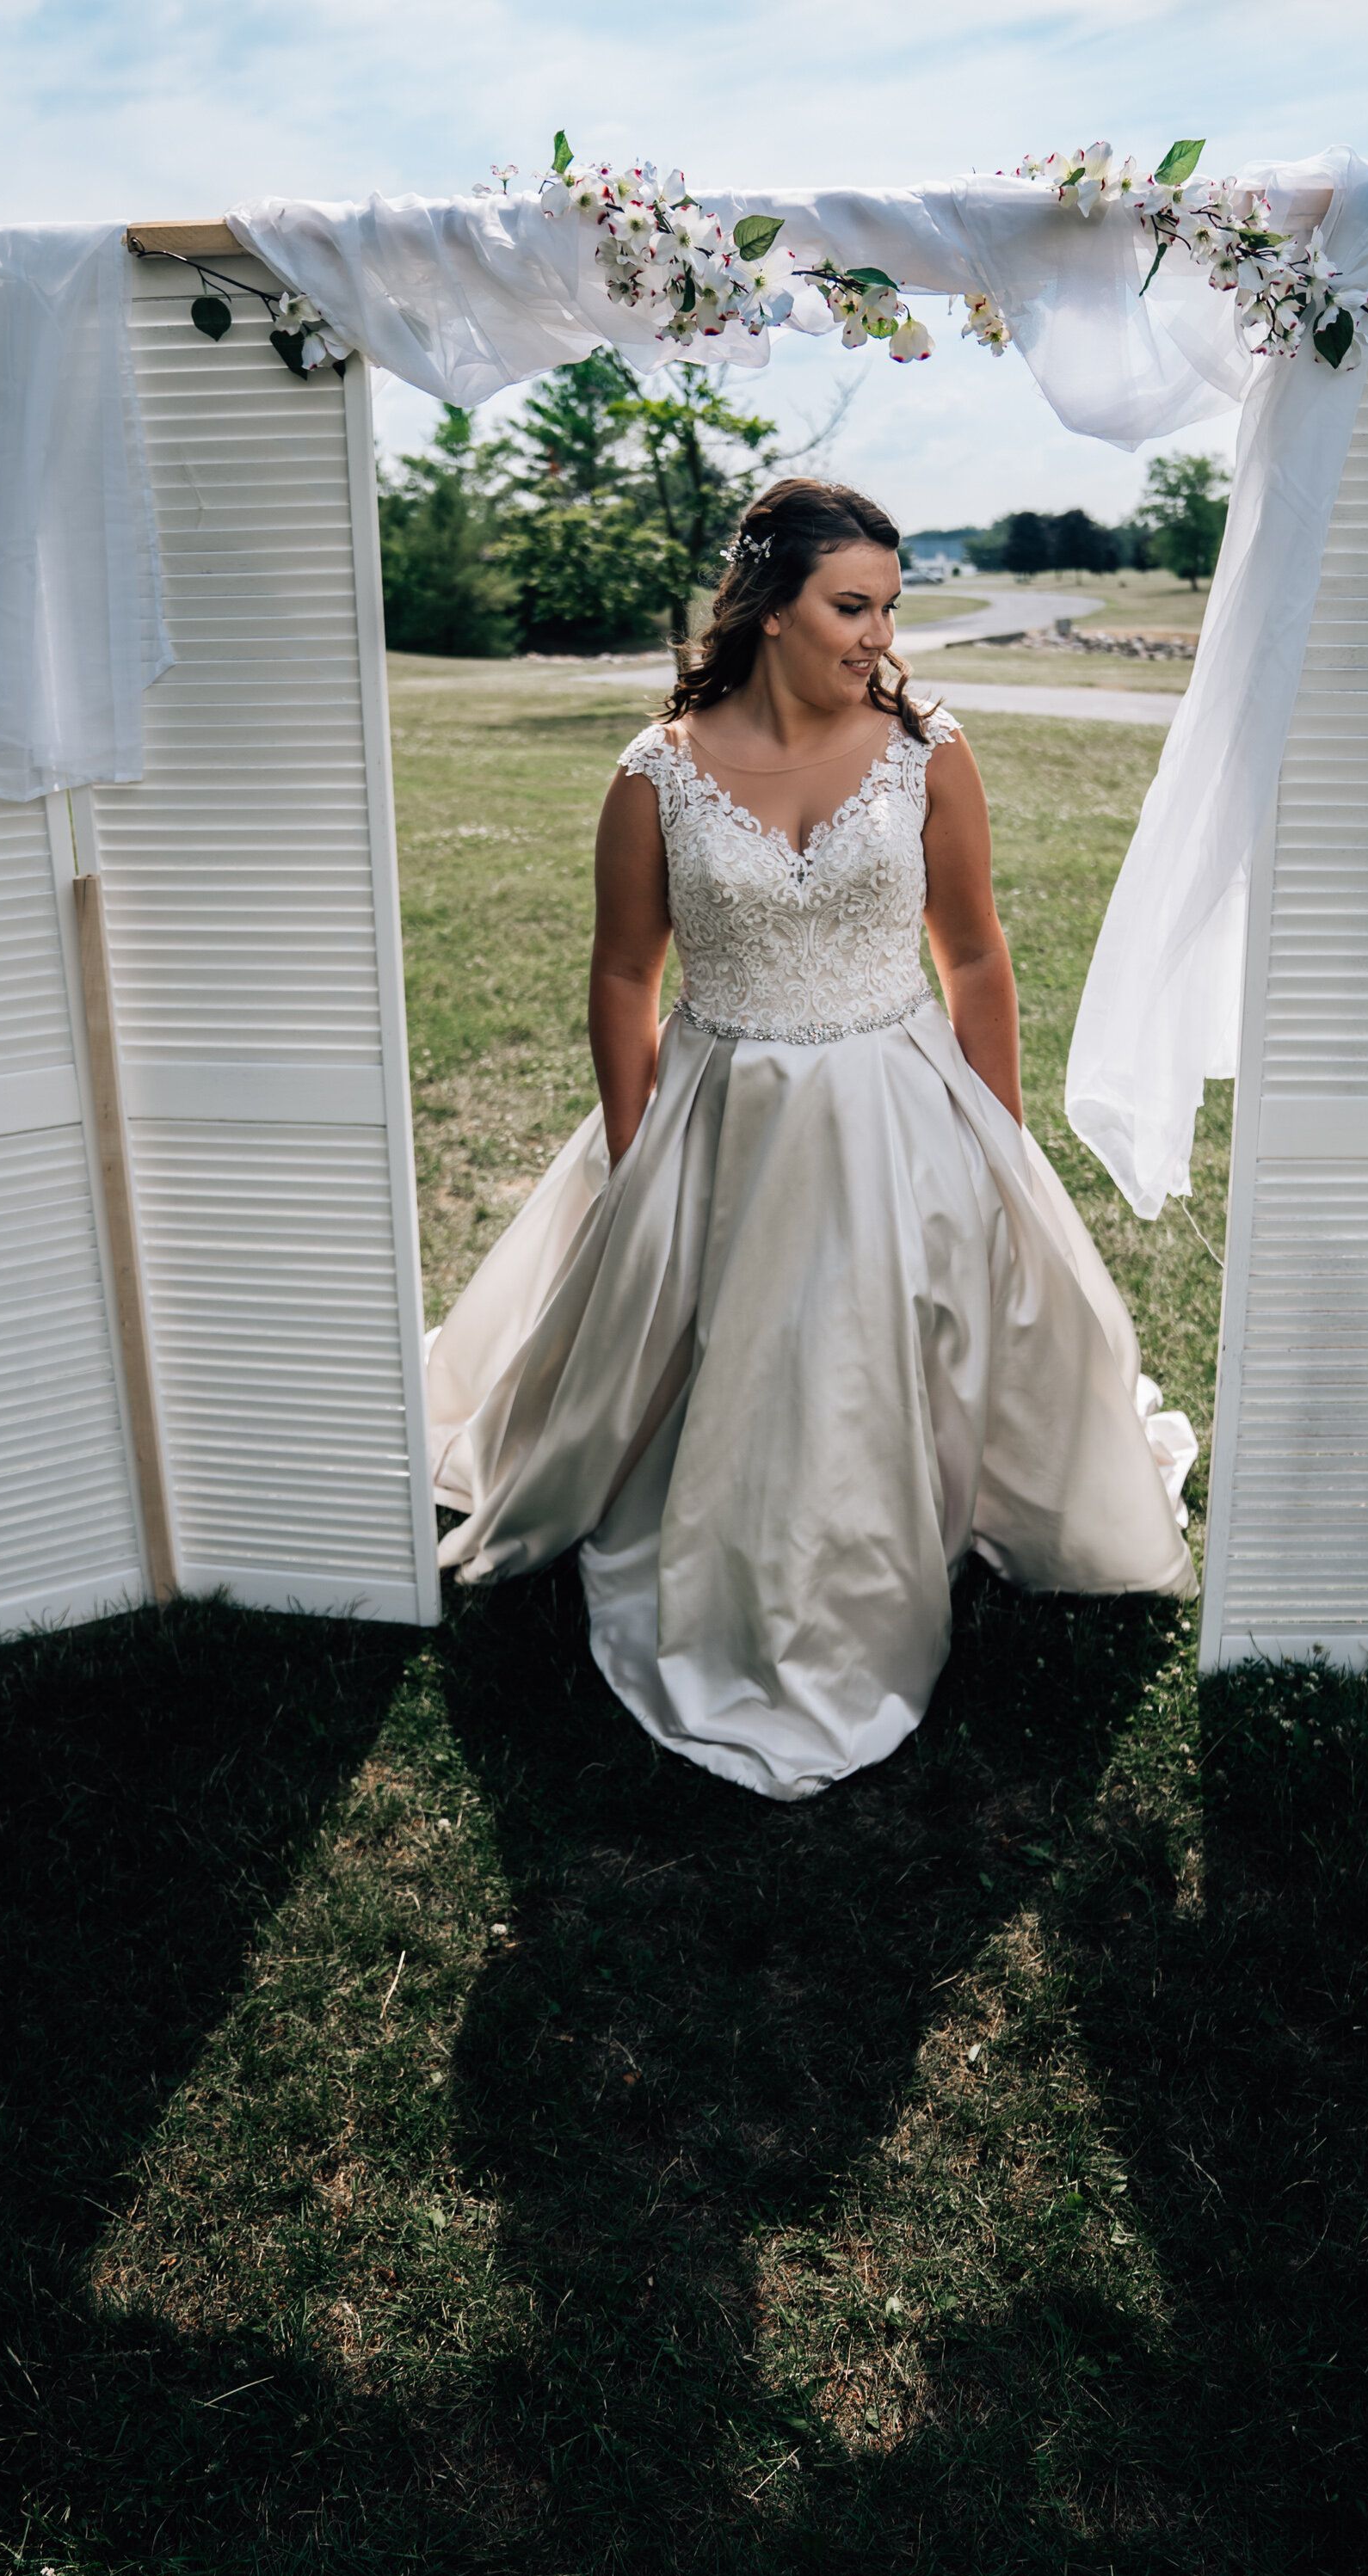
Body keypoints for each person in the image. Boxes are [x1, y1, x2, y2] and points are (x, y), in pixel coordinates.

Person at [426, 477, 1194, 1802]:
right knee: (742, 1347)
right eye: (853, 607)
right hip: (723, 1107)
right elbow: (623, 977)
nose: (879, 637)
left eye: (890, 608)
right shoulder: (656, 773)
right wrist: (634, 1151)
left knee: (876, 1343)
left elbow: (975, 956)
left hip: (898, 1095)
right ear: (770, 608)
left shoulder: (932, 753)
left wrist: (997, 1141)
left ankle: (884, 1561)